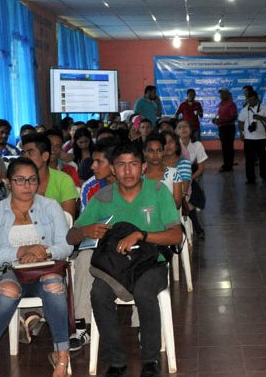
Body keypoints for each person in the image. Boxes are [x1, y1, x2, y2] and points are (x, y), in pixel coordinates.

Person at [70, 141, 184, 377]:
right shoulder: (103, 197)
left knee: (144, 291)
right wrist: (85, 230)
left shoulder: (157, 191)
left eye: (133, 164)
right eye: (121, 165)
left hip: (153, 262)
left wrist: (141, 235)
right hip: (116, 266)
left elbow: (176, 234)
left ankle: (150, 359)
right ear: (113, 169)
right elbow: (71, 235)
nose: (128, 171)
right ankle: (116, 361)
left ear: (143, 167)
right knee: (99, 293)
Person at [0, 158, 74, 377]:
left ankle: (61, 354)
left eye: (32, 180)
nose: (27, 185)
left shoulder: (50, 207)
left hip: (42, 268)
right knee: (8, 290)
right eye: (20, 180)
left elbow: (66, 246)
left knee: (55, 285)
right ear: (9, 183)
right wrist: (21, 252)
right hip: (4, 268)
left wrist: (44, 252)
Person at [69, 137, 119, 352]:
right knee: (83, 259)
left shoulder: (137, 183)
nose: (92, 166)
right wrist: (88, 231)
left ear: (115, 164)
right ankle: (82, 325)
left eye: (99, 162)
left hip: (131, 246)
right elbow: (83, 228)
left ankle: (140, 326)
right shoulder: (91, 187)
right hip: (100, 245)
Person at [20, 133, 79, 217]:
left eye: (30, 152)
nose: (25, 157)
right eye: (23, 153)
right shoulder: (19, 181)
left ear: (45, 156)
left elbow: (67, 219)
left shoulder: (64, 180)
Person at [143, 134, 187, 209]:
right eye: (151, 151)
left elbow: (177, 204)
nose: (155, 154)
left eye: (159, 150)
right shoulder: (140, 176)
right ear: (144, 152)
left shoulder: (173, 174)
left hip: (170, 218)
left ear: (163, 152)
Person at [238, 90, 266, 185]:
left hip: (261, 138)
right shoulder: (244, 110)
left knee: (263, 159)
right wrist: (241, 133)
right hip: (248, 139)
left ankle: (264, 176)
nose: (251, 102)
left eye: (253, 100)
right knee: (249, 160)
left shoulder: (264, 108)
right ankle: (250, 179)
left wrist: (261, 118)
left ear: (257, 99)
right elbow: (240, 122)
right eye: (249, 100)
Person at [213, 88, 238, 172]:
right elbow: (219, 115)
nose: (221, 95)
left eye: (223, 93)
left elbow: (233, 117)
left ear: (227, 94)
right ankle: (226, 164)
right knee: (224, 147)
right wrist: (215, 119)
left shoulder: (231, 104)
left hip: (228, 128)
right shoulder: (221, 104)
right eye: (220, 94)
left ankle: (229, 166)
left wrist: (221, 121)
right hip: (222, 127)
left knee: (228, 147)